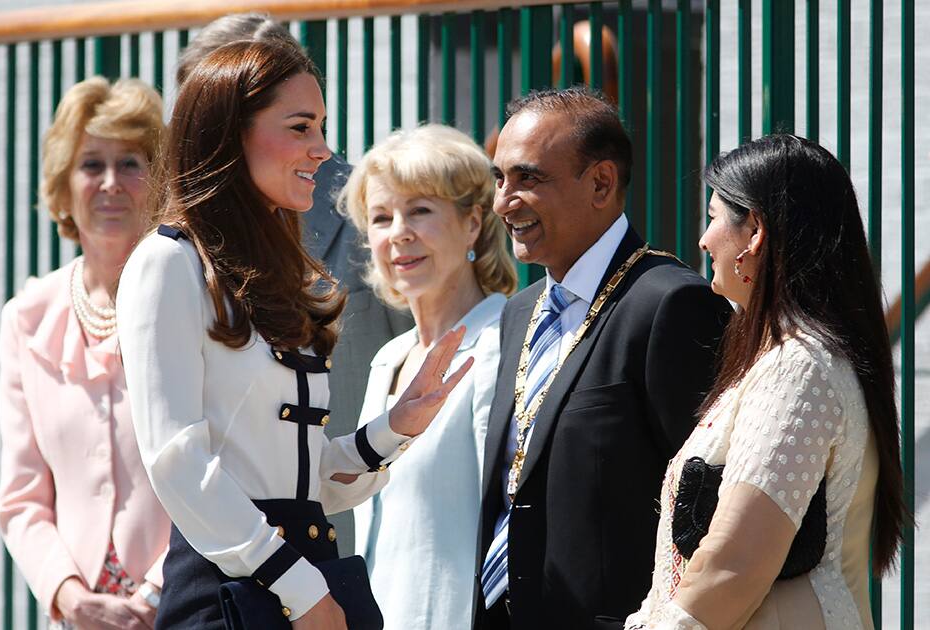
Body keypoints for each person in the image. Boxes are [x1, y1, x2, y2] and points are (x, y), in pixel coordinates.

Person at [116, 40, 472, 630]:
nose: (323, 149)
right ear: (232, 134)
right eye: (301, 126)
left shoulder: (274, 272)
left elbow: (297, 483)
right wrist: (301, 589)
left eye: (322, 126)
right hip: (232, 596)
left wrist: (393, 427)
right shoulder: (166, 263)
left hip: (303, 578)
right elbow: (179, 465)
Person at [623, 135, 906, 630]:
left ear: (754, 231)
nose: (704, 239)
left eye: (713, 217)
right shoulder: (787, 359)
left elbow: (734, 565)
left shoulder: (799, 369)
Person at [474, 87, 732, 629]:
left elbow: (713, 509)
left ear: (600, 183)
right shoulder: (519, 313)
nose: (502, 201)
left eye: (528, 178)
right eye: (499, 179)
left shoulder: (670, 304)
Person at [0, 77, 170, 629]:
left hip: (186, 605)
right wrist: (68, 596)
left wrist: (157, 593)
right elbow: (21, 498)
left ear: (161, 179)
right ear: (64, 185)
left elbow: (231, 466)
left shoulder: (198, 301)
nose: (111, 183)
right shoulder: (26, 317)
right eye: (92, 165)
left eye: (132, 163)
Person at [338, 125, 518, 630]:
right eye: (380, 217)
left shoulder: (502, 344)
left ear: (473, 224)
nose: (398, 233)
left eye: (420, 210)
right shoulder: (389, 359)